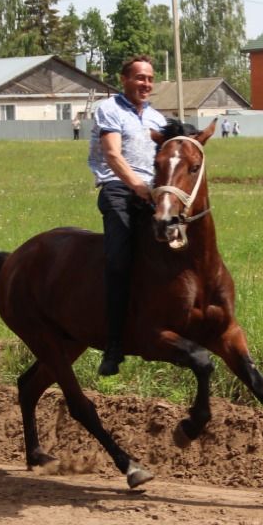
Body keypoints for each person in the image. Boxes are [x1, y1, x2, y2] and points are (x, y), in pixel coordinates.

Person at [87, 54, 167, 377]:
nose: (145, 83)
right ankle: (114, 344)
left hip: (151, 194)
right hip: (119, 191)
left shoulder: (158, 119)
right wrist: (136, 185)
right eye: (139, 78)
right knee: (119, 263)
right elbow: (112, 155)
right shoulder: (109, 109)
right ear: (124, 80)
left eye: (149, 78)